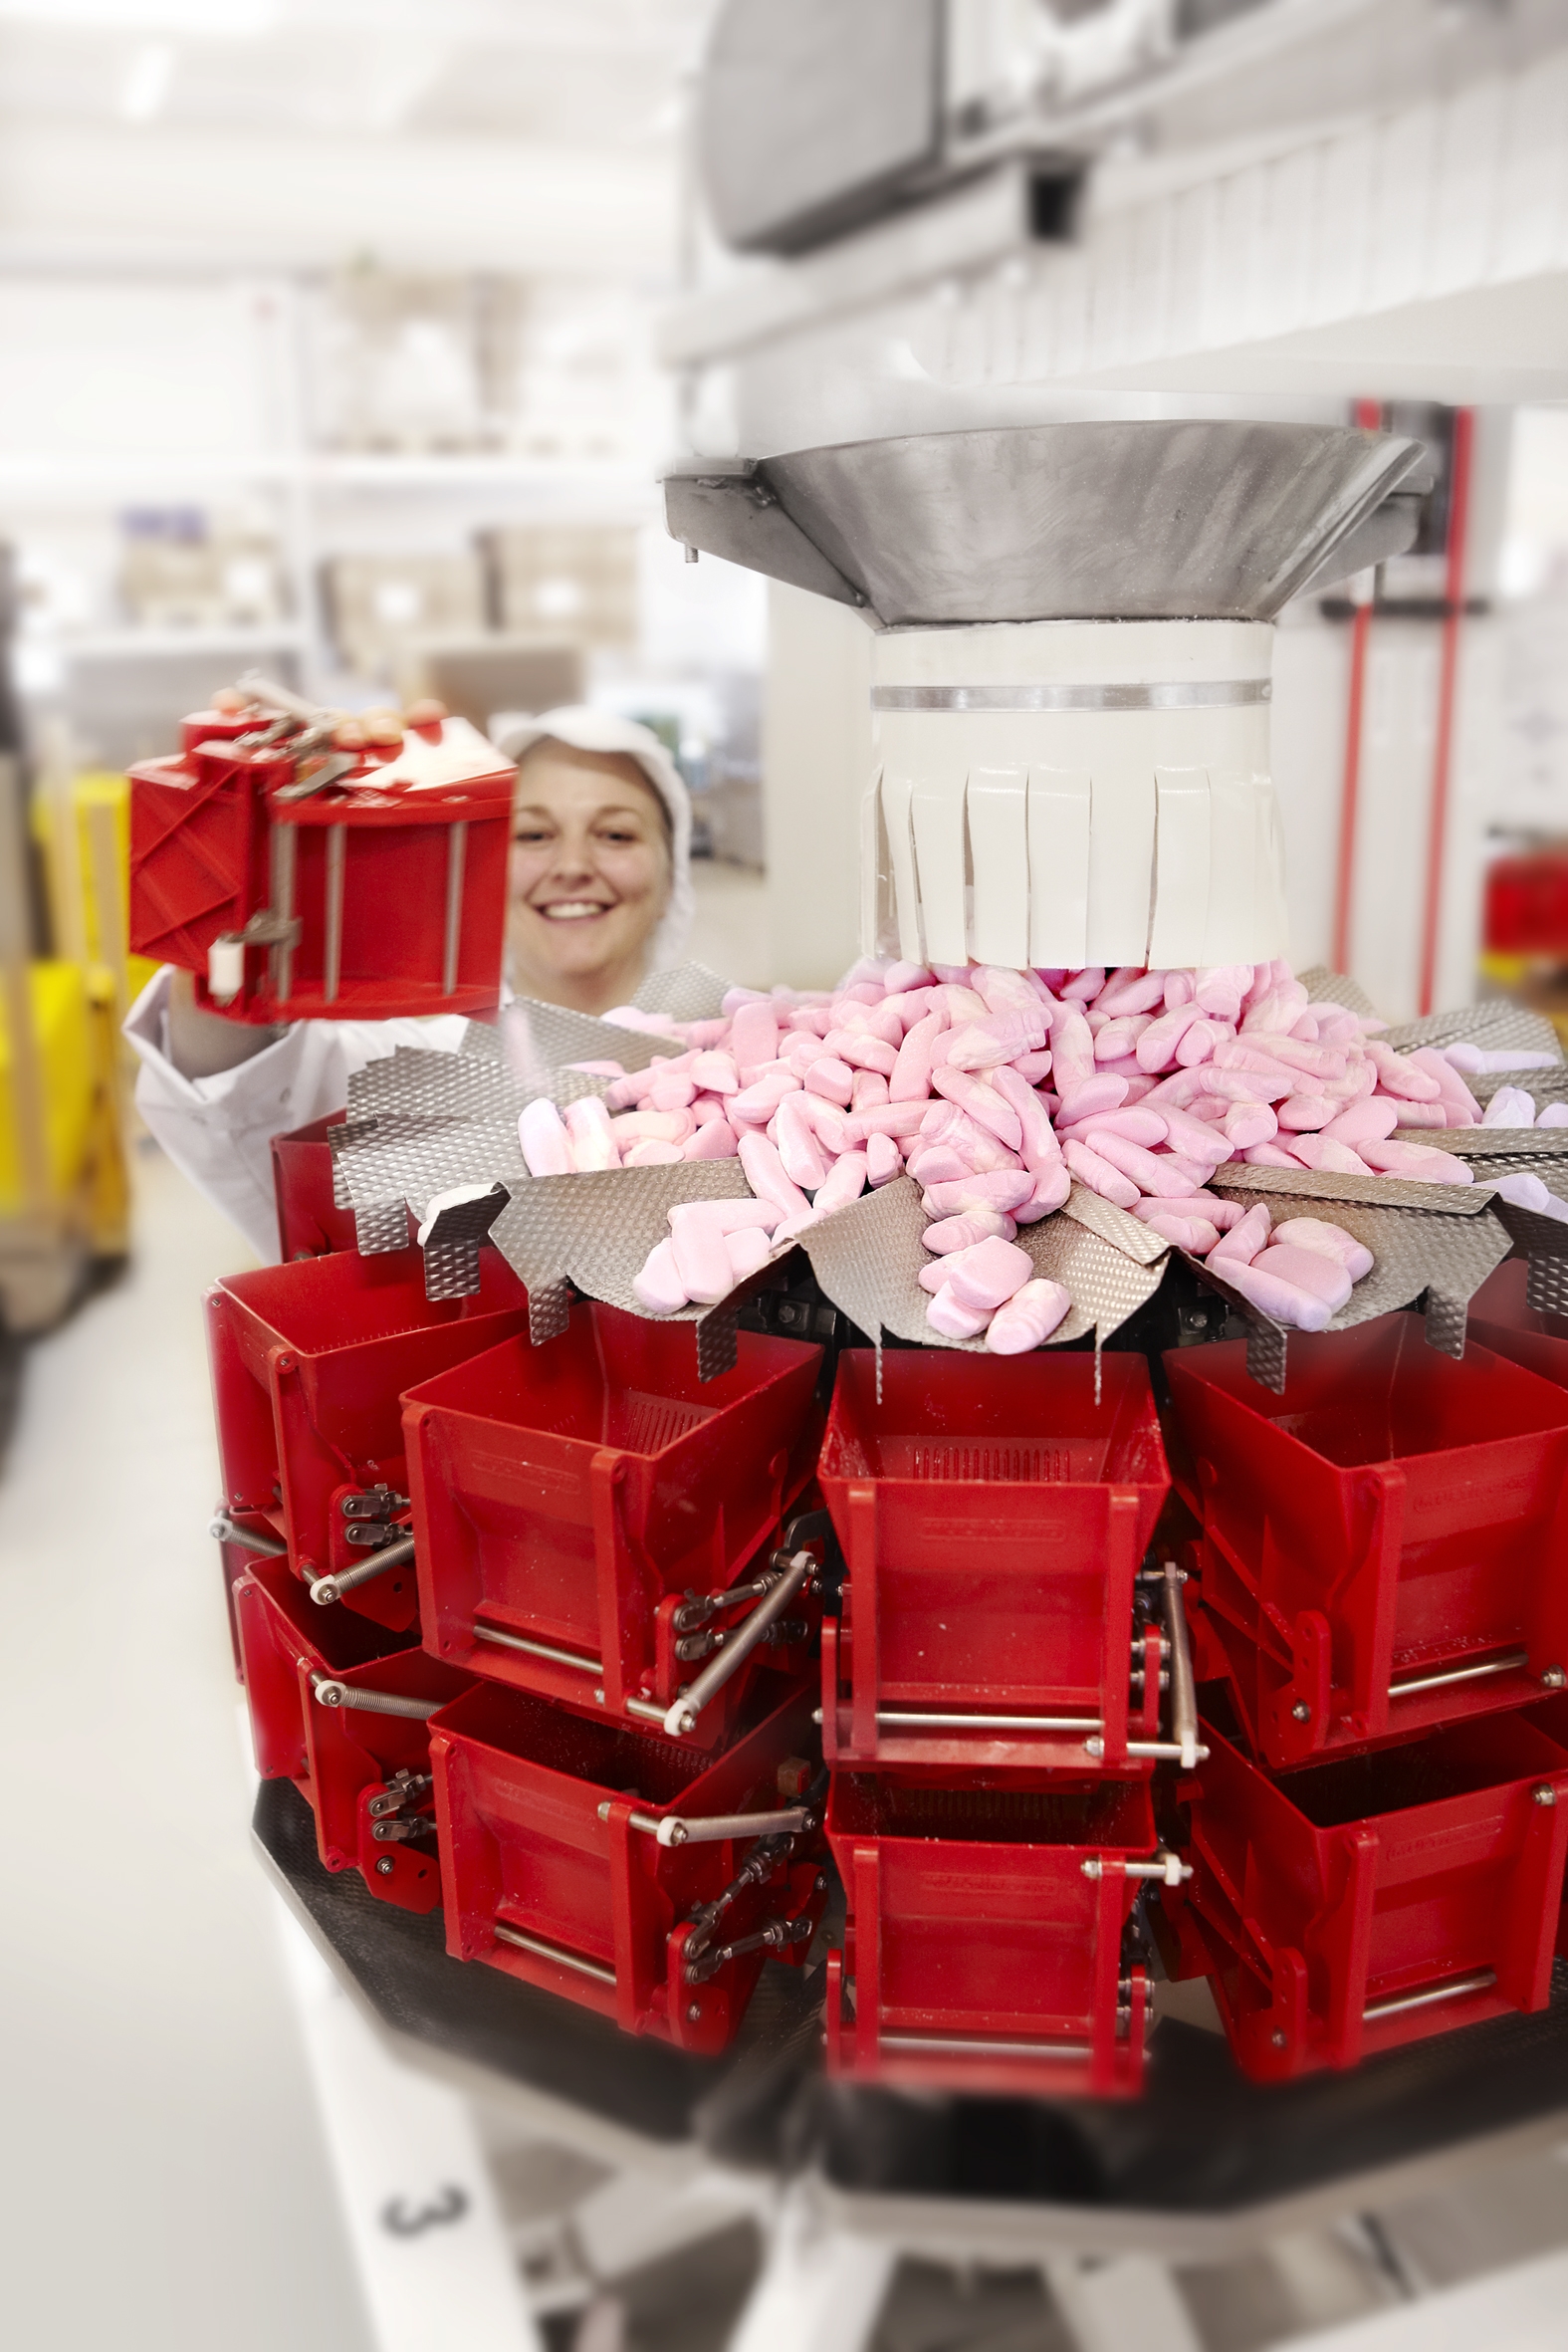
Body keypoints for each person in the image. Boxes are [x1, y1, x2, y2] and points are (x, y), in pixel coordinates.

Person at [125, 702, 695, 1261]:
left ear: (674, 875)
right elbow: (234, 1085)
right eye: (532, 836)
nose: (573, 865)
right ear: (483, 867)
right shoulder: (413, 1072)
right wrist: (256, 846)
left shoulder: (751, 1078)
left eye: (617, 836)